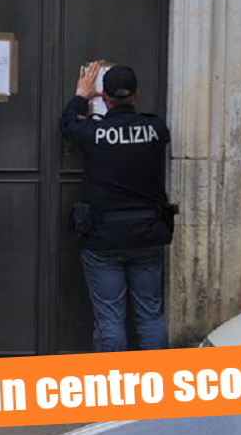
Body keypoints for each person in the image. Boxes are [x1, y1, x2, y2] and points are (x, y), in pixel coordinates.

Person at [60, 62, 176, 353]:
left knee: (110, 320)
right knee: (150, 315)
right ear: (135, 95)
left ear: (104, 97)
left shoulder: (93, 133)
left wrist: (81, 96)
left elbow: (67, 124)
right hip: (148, 234)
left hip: (105, 239)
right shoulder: (156, 128)